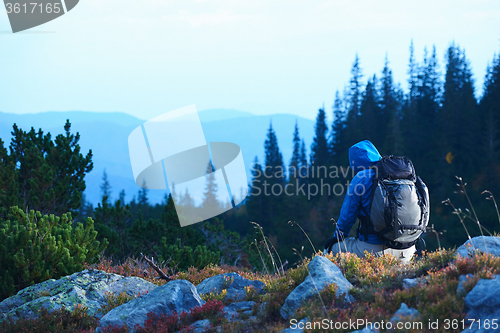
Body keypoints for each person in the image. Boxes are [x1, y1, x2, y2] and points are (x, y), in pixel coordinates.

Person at [323, 140, 417, 263]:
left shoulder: (361, 177)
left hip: (373, 252)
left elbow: (347, 217)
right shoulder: (403, 174)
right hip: (407, 250)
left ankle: (338, 282)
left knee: (331, 250)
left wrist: (337, 238)